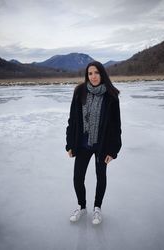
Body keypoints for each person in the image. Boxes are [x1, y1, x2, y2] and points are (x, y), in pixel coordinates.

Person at [66, 61, 122, 225]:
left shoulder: (111, 95)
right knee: (77, 177)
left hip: (102, 144)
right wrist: (69, 144)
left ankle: (97, 208)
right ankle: (82, 207)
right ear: (87, 75)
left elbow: (115, 126)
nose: (93, 76)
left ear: (102, 74)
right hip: (82, 143)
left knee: (101, 176)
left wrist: (113, 151)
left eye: (96, 72)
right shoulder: (80, 92)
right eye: (90, 73)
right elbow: (72, 121)